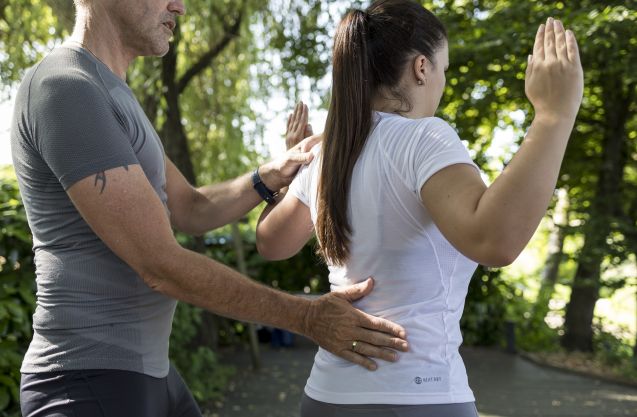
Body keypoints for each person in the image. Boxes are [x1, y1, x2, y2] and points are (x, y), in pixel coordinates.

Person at [10, 1, 411, 416]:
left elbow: (190, 207)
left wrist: (271, 174)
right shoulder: (67, 88)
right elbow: (159, 264)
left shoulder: (110, 92)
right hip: (87, 379)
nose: (179, 7)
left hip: (146, 372)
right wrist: (307, 317)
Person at [256, 0, 583, 415]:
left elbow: (270, 243)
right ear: (422, 68)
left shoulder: (327, 154)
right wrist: (553, 116)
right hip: (419, 396)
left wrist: (289, 170)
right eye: (444, 68)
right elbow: (494, 240)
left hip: (326, 396)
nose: (443, 81)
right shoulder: (424, 138)